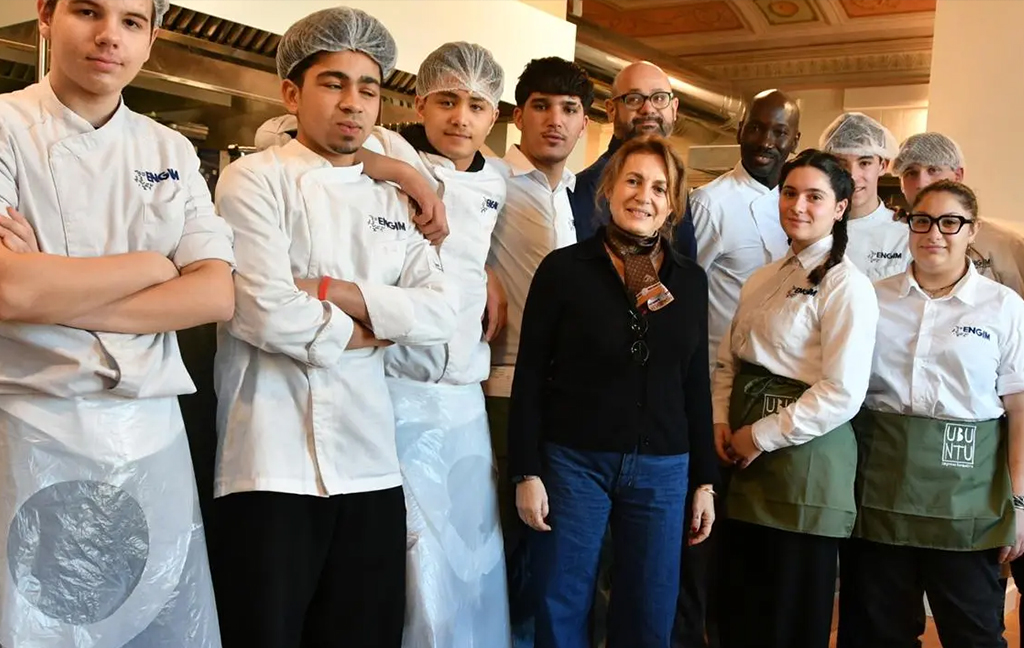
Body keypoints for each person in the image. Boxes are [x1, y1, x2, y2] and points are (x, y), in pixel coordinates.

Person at [210, 8, 459, 648]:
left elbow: (441, 312)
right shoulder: (252, 179)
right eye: (333, 83)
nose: (353, 103)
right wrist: (374, 327)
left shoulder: (393, 198)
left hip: (371, 461)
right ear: (292, 94)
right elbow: (262, 308)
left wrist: (328, 292)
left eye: (368, 89)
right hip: (270, 460)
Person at [0, 0, 233, 646]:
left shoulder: (171, 149)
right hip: (34, 430)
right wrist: (155, 266)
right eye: (87, 10)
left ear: (152, 37)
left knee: (155, 620)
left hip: (151, 437)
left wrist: (50, 292)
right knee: (39, 627)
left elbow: (215, 295)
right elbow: (8, 287)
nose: (109, 36)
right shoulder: (6, 126)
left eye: (132, 21)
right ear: (45, 15)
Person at [509, 135, 718, 648]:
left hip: (663, 466)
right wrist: (526, 471)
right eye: (633, 181)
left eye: (659, 188)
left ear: (672, 205)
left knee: (650, 607)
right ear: (609, 188)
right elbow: (530, 375)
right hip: (574, 461)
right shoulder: (563, 270)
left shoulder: (690, 281)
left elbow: (695, 382)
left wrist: (705, 481)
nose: (643, 196)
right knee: (561, 600)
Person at [368, 41, 511, 647]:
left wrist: (490, 275)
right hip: (398, 387)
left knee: (473, 549)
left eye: (476, 106)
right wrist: (408, 177)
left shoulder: (498, 179)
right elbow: (286, 135)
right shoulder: (386, 148)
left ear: (494, 116)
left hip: (465, 395)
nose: (461, 118)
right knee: (410, 552)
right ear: (419, 103)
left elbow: (470, 254)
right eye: (447, 101)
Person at [840, 180, 1024, 648]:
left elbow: (1020, 410)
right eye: (922, 221)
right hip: (880, 493)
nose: (934, 234)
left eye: (950, 222)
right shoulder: (872, 299)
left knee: (974, 632)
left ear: (972, 230)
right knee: (878, 633)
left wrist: (1019, 505)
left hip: (968, 501)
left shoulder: (1003, 307)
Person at [713, 150, 879, 648]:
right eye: (789, 193)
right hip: (742, 456)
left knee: (789, 616)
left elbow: (843, 391)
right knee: (738, 610)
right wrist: (720, 420)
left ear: (840, 208)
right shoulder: (762, 277)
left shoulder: (847, 285)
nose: (798, 206)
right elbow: (728, 362)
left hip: (805, 460)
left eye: (814, 196)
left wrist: (760, 436)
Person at [674, 88, 801, 648]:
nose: (766, 141)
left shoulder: (799, 204)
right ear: (742, 130)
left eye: (779, 133)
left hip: (776, 404)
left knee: (752, 543)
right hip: (713, 390)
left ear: (794, 141)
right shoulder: (712, 203)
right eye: (757, 128)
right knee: (703, 533)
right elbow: (679, 292)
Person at [484, 56, 594, 648]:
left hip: (567, 400)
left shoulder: (580, 197)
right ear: (518, 114)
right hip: (501, 389)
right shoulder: (489, 180)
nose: (555, 120)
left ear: (584, 124)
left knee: (550, 553)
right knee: (501, 545)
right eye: (542, 106)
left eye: (569, 110)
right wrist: (482, 272)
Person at [570, 61, 697, 259]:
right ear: (611, 110)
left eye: (659, 98)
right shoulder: (584, 189)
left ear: (674, 109)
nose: (648, 109)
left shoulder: (676, 182)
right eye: (634, 99)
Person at [894, 132, 1024, 295]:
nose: (921, 182)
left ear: (958, 175)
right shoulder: (888, 233)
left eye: (933, 170)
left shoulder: (1004, 245)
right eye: (911, 173)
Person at [819, 112, 906, 281]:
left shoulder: (904, 236)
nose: (852, 175)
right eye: (841, 163)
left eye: (864, 163)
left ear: (883, 166)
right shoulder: (813, 227)